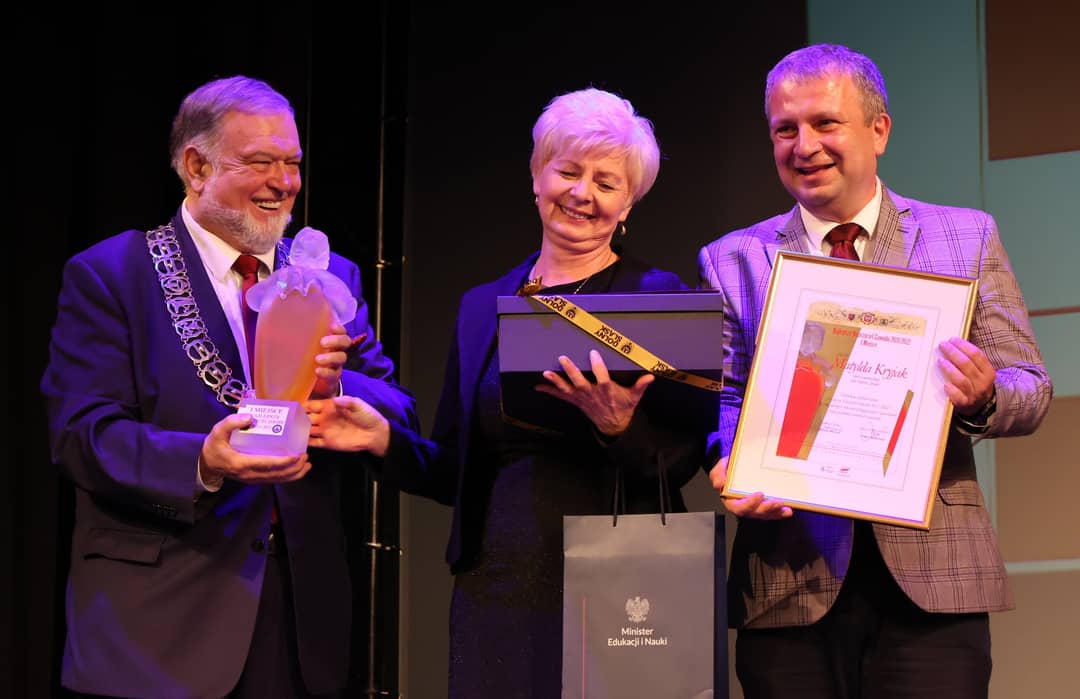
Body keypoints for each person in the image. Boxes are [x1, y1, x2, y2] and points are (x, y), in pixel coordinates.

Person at [305, 87, 706, 698]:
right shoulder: (480, 306)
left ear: (629, 203)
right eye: (567, 171)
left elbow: (681, 460)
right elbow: (453, 470)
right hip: (497, 585)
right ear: (536, 175)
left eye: (605, 183)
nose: (582, 193)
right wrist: (383, 440)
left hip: (621, 581)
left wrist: (620, 427)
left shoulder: (660, 299)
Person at [41, 75, 417, 698]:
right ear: (197, 167)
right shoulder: (112, 275)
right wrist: (203, 460)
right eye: (261, 162)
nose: (284, 182)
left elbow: (397, 408)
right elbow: (83, 436)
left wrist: (339, 391)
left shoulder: (328, 276)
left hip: (297, 628)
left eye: (293, 162)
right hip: (158, 629)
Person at [698, 44, 1053, 698]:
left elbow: (1030, 386)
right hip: (789, 580)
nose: (805, 146)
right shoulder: (733, 259)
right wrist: (731, 461)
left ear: (879, 130)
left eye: (825, 123)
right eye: (785, 129)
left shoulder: (964, 236)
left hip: (934, 580)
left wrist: (982, 396)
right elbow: (725, 397)